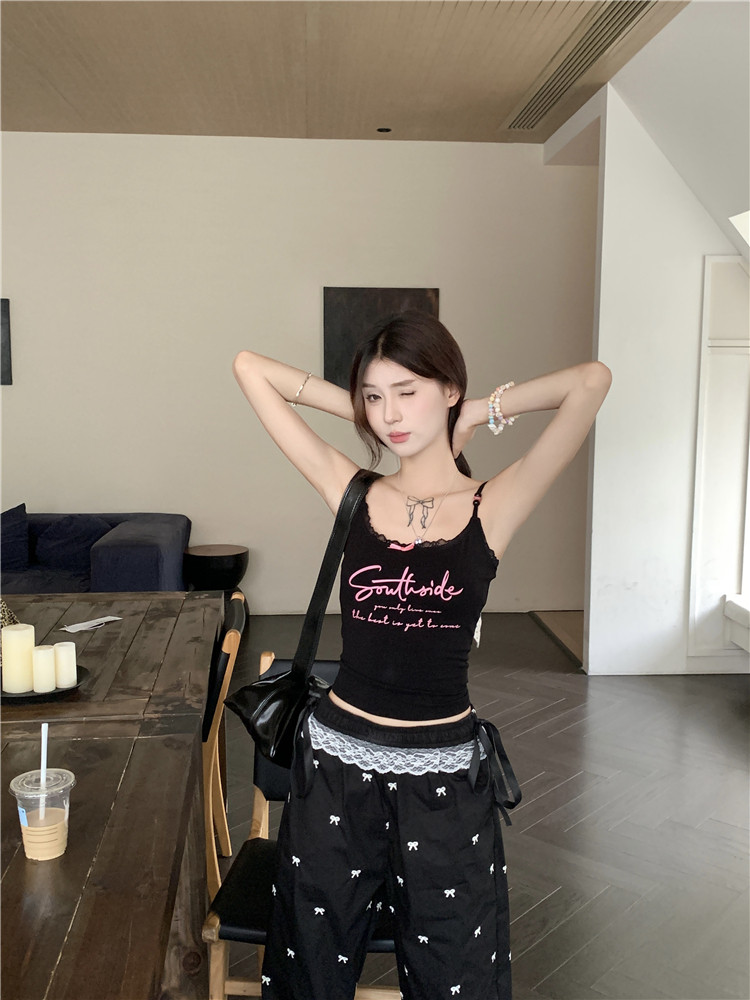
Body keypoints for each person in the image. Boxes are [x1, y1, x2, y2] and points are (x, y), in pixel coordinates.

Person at [233, 310, 611, 1000]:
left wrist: (479, 412)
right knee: (308, 973)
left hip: (444, 782)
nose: (390, 414)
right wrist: (361, 407)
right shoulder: (352, 490)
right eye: (375, 397)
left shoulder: (492, 504)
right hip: (335, 767)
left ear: (448, 388)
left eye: (408, 392)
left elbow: (591, 381)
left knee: (455, 979)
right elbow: (249, 369)